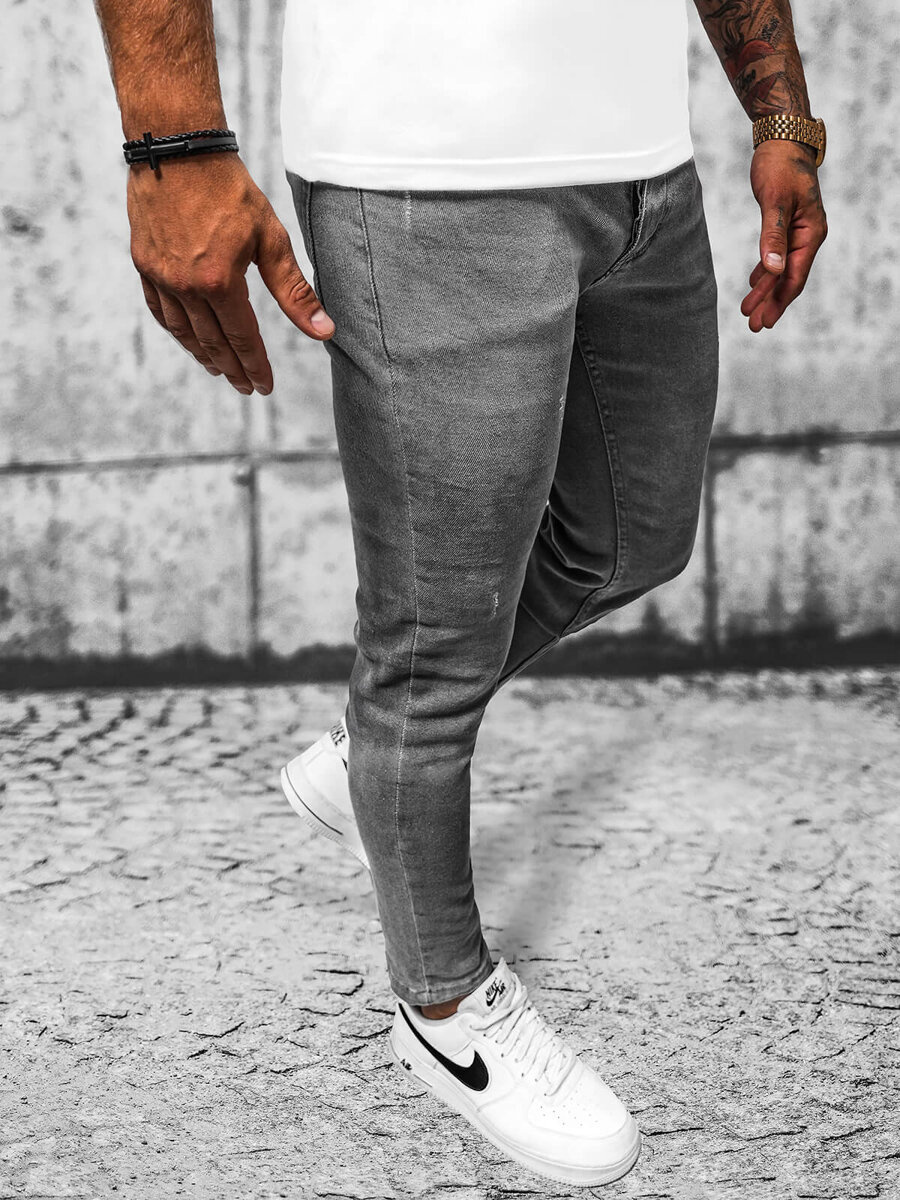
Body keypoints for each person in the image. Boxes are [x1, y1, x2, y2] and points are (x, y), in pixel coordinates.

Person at [94, 0, 827, 1187]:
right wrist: (171, 148)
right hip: (421, 168)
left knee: (631, 542)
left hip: (640, 165)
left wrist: (780, 110)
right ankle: (445, 1011)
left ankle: (371, 751)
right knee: (430, 642)